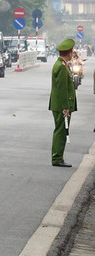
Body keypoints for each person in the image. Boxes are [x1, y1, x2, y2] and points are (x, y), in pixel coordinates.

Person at [51, 39, 79, 167]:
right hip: (61, 105)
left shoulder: (61, 64)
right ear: (69, 53)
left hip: (59, 104)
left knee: (60, 130)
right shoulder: (62, 67)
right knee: (61, 131)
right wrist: (65, 107)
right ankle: (57, 158)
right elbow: (62, 89)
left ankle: (58, 157)